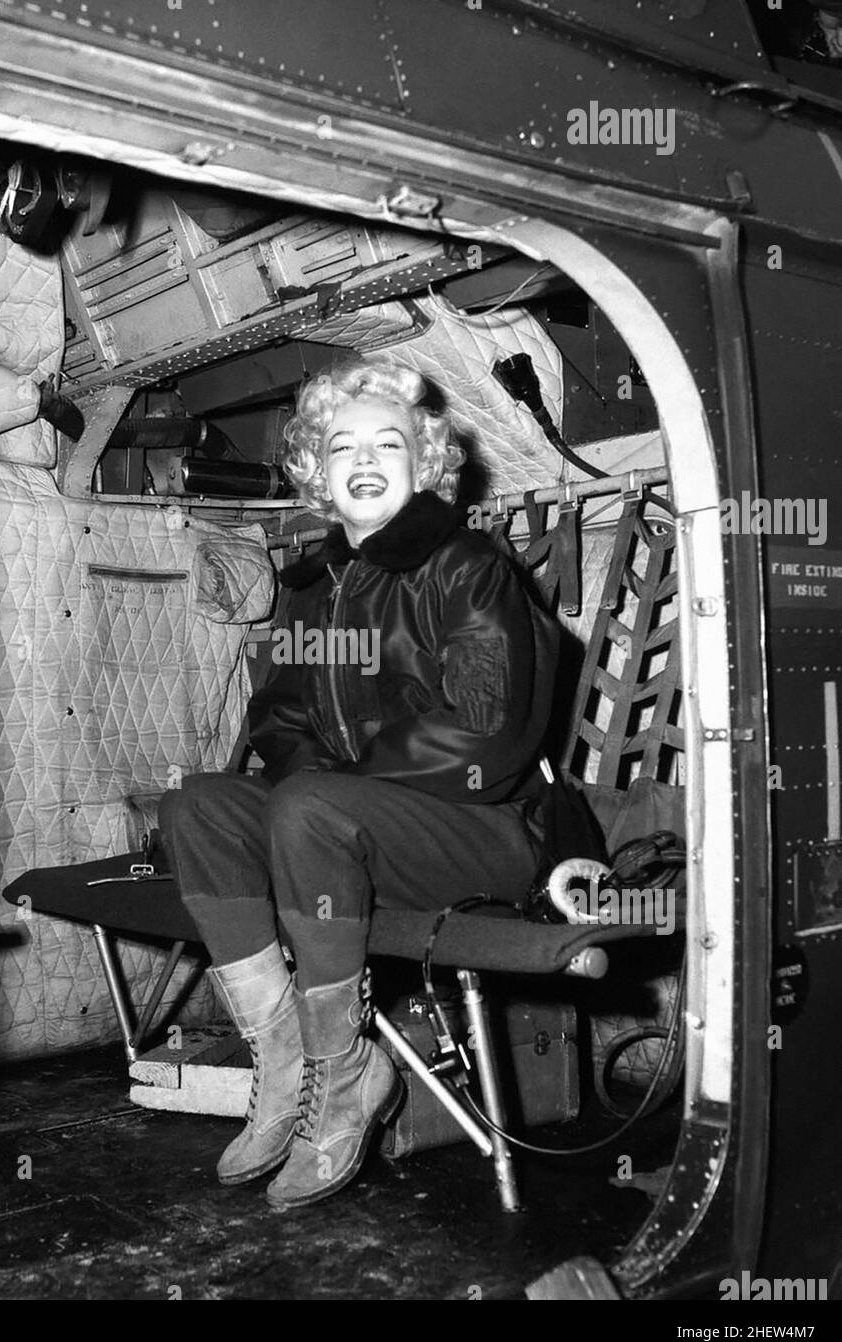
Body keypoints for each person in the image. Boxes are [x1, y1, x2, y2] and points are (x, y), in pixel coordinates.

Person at [159, 359, 557, 1211]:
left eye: (391, 442)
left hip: (483, 829)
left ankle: (345, 1080)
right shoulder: (313, 590)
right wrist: (320, 792)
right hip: (343, 823)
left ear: (426, 465)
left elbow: (485, 729)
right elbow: (278, 723)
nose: (366, 459)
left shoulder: (465, 566)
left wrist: (336, 788)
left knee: (311, 805)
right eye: (342, 446)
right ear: (316, 471)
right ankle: (285, 1057)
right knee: (198, 805)